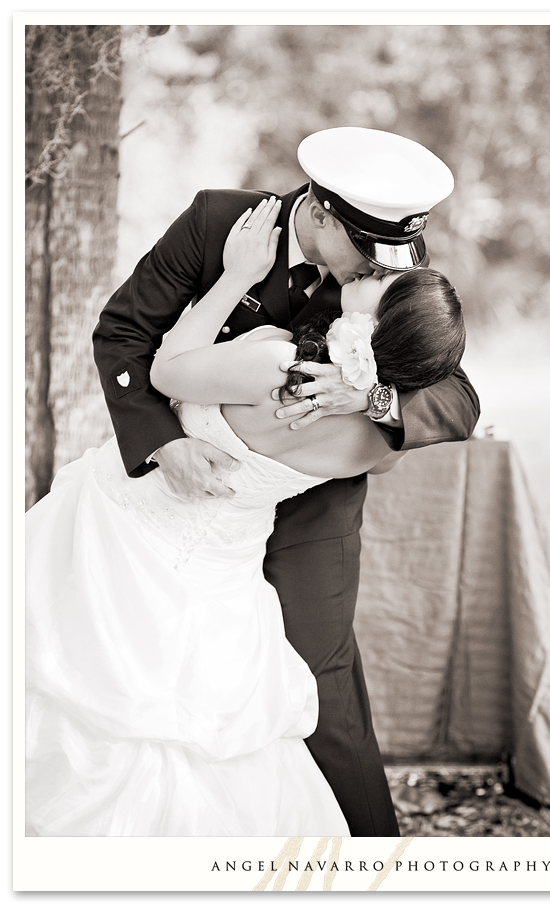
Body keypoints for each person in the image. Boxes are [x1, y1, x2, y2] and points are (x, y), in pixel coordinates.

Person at [26, 198, 467, 837]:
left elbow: (169, 370)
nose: (377, 268)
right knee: (230, 720)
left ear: (377, 334)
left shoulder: (275, 359)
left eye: (380, 274)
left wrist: (365, 389)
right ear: (322, 214)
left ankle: (376, 860)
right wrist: (163, 442)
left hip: (203, 527)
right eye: (368, 261)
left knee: (323, 685)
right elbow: (122, 332)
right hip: (213, 533)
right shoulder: (217, 223)